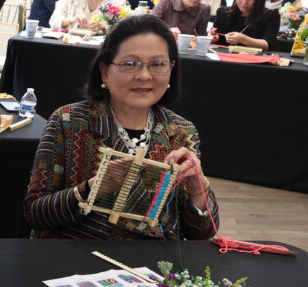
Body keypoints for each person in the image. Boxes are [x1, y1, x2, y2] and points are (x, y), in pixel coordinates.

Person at [24, 15, 217, 239]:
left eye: (158, 64)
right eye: (129, 64)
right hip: (74, 262)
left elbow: (202, 236)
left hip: (153, 267)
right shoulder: (69, 121)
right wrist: (92, 188)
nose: (145, 75)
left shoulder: (182, 131)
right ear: (104, 71)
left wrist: (197, 189)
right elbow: (34, 214)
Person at [212, 0, 280, 51]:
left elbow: (268, 44)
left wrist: (243, 39)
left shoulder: (270, 16)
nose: (244, 2)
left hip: (251, 61)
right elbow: (214, 36)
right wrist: (211, 37)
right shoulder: (223, 12)